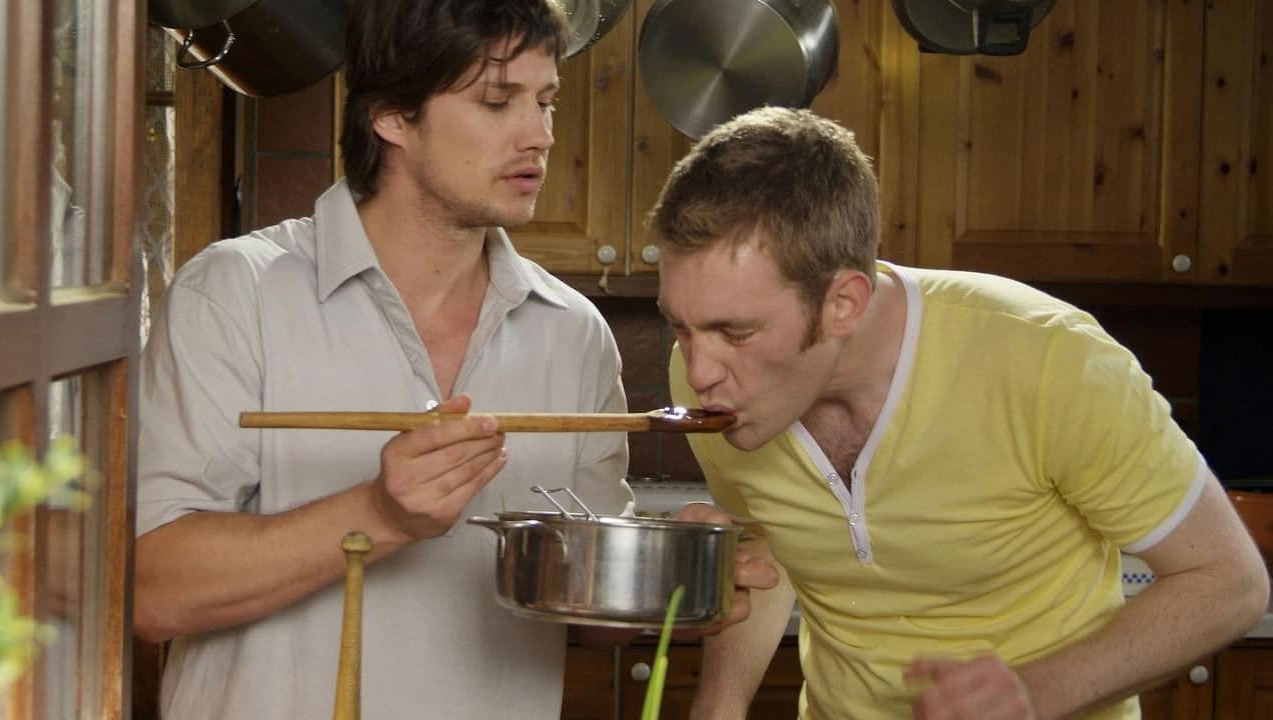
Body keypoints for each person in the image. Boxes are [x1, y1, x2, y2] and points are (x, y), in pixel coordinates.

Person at [650, 106, 1270, 720]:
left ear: (843, 304)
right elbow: (764, 546)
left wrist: (1033, 694)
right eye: (680, 325)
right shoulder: (713, 377)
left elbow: (1229, 581)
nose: (700, 372)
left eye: (736, 332)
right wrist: (720, 704)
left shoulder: (1049, 358)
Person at [134, 2, 646, 717]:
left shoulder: (574, 333)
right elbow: (152, 591)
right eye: (497, 101)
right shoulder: (234, 293)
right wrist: (379, 513)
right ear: (392, 116)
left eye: (545, 101)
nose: (540, 134)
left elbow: (593, 615)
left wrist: (682, 578)